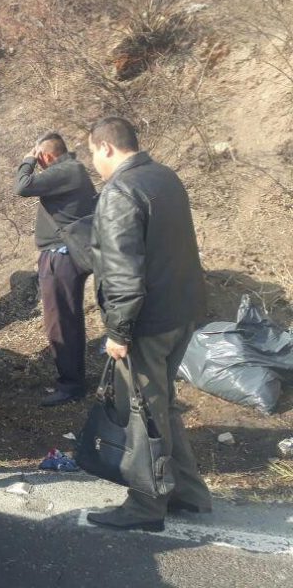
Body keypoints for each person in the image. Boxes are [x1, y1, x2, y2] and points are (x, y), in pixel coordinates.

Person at [85, 117, 212, 531]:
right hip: (181, 312)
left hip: (147, 323)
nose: (93, 162)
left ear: (106, 148)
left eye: (92, 153)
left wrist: (118, 332)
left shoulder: (120, 191)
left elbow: (123, 272)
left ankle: (145, 503)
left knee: (142, 411)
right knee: (162, 405)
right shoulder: (164, 176)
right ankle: (188, 493)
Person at [15, 132, 97, 407]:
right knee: (67, 318)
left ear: (46, 156)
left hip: (62, 255)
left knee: (60, 320)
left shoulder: (66, 170)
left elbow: (23, 186)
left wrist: (27, 160)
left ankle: (71, 385)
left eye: (39, 157)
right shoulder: (71, 171)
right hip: (65, 252)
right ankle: (73, 379)